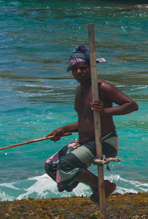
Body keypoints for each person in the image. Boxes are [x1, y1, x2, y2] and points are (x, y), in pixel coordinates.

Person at [45, 45, 138, 201]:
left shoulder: (102, 87)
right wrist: (63, 129)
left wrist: (105, 112)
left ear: (92, 68)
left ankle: (104, 186)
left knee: (66, 164)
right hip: (85, 143)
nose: (79, 72)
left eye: (83, 68)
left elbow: (132, 105)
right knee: (52, 165)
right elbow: (85, 121)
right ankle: (97, 188)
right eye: (75, 69)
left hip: (103, 142)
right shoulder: (78, 90)